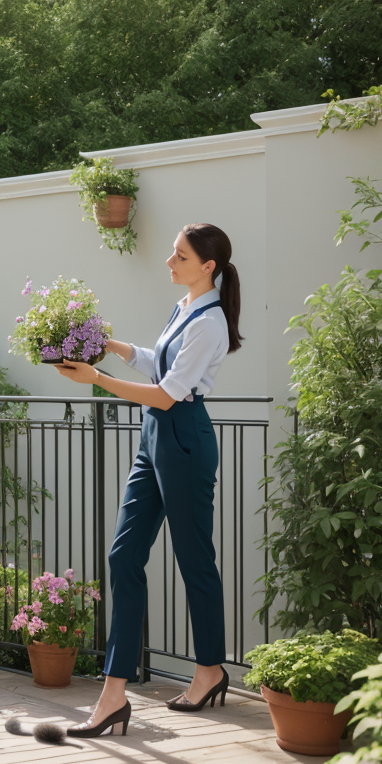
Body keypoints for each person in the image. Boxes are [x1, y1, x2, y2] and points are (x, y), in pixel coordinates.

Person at [55, 222, 243, 737]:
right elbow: (156, 364)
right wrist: (108, 345)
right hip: (154, 438)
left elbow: (166, 394)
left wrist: (95, 380)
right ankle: (115, 694)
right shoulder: (185, 307)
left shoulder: (210, 323)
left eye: (179, 256)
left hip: (182, 438)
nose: (169, 262)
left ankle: (209, 668)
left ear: (208, 266)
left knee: (194, 560)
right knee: (124, 556)